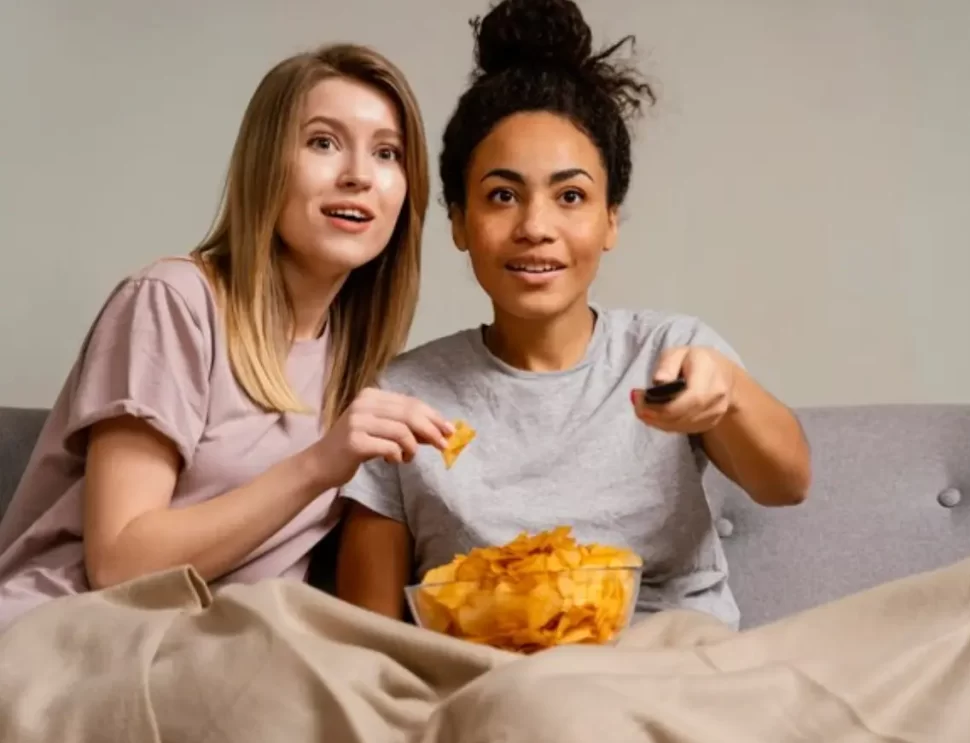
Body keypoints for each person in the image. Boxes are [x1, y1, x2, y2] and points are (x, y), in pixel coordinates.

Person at [335, 0, 811, 629]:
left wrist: (728, 393)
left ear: (610, 219)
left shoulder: (671, 354)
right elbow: (366, 639)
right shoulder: (403, 398)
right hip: (494, 686)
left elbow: (788, 483)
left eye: (571, 196)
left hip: (674, 670)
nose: (536, 227)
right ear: (458, 222)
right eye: (502, 196)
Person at [0, 43, 453, 631]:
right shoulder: (172, 302)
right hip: (75, 639)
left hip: (223, 655)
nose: (359, 176)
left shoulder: (356, 366)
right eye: (323, 142)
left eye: (387, 153)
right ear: (267, 164)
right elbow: (119, 562)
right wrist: (319, 466)